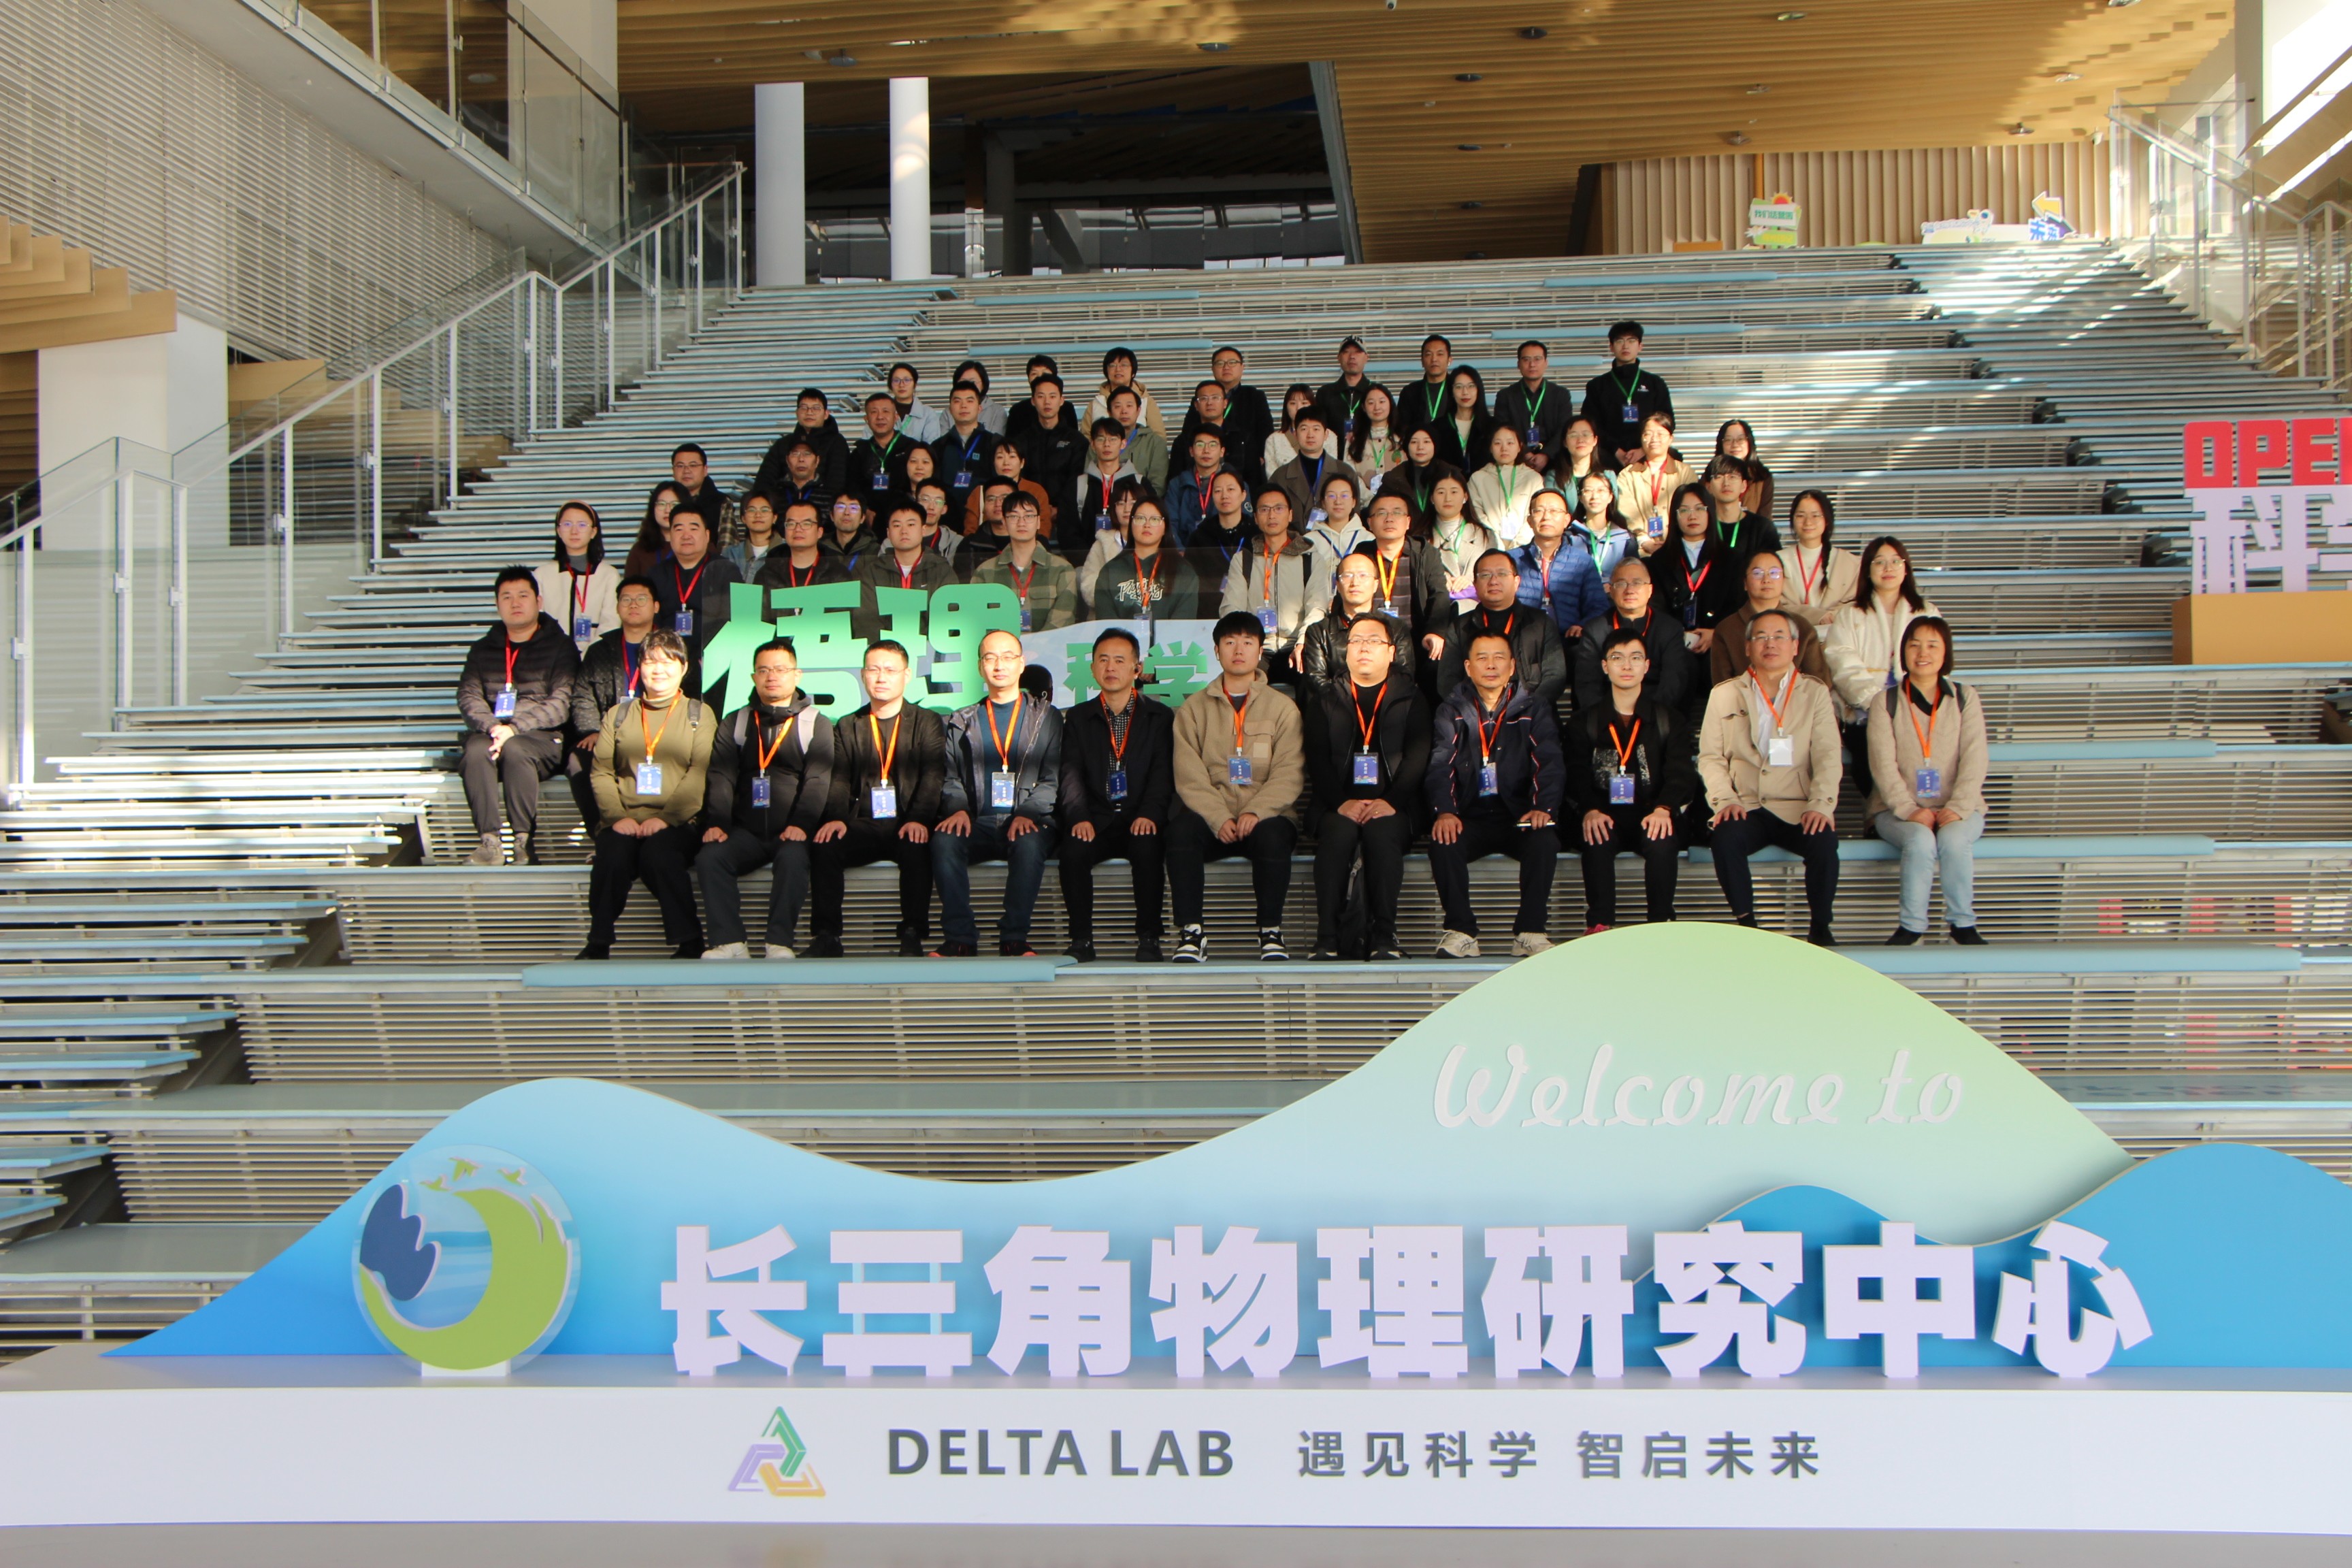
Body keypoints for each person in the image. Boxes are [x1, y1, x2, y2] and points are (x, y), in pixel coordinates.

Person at [1169, 612, 1305, 962]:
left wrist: (1256, 812)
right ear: (1217, 651)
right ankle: (1191, 932)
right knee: (1181, 831)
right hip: (1214, 819)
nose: (1239, 650)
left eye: (1247, 642)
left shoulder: (1283, 709)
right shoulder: (1193, 709)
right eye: (1230, 642)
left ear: (1260, 651)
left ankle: (1271, 931)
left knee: (1274, 835)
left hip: (1266, 816)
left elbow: (1289, 773)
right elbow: (1189, 776)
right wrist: (1218, 817)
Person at [1699, 608, 1842, 945]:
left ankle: (1821, 928)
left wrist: (1821, 804)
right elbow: (1711, 757)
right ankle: (1747, 924)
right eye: (1761, 637)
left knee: (1824, 841)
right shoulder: (1725, 693)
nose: (1770, 644)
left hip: (1797, 805)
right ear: (1748, 647)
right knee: (1725, 838)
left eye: (1779, 636)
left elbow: (1828, 756)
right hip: (1746, 804)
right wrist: (1725, 800)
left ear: (1795, 646)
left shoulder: (1815, 693)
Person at [1426, 627, 1564, 958]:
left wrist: (1542, 807)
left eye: (1499, 657)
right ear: (1468, 666)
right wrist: (1446, 811)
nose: (1491, 665)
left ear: (1512, 666)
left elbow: (1549, 760)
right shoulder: (1452, 710)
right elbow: (1441, 764)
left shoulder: (1533, 707)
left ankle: (1530, 932)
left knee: (1545, 839)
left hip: (1518, 815)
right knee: (1443, 840)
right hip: (1470, 816)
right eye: (1482, 658)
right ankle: (1461, 932)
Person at [576, 629, 713, 958]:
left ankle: (689, 940)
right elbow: (602, 771)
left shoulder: (698, 714)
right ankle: (598, 942)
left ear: (684, 668)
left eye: (668, 662)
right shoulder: (618, 715)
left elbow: (700, 771)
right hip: (625, 818)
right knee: (612, 855)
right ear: (640, 668)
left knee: (659, 856)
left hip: (678, 821)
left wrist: (666, 819)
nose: (659, 669)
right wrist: (616, 818)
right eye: (651, 661)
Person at [693, 636, 831, 960]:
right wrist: (718, 823)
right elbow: (721, 776)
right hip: (746, 832)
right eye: (764, 670)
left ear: (797, 675)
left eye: (780, 669)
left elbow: (818, 779)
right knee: (711, 857)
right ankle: (730, 942)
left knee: (793, 860)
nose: (772, 676)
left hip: (792, 832)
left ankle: (779, 943)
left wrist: (802, 824)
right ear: (754, 677)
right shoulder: (737, 721)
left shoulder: (815, 723)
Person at [1304, 612, 1431, 962]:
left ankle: (1384, 936)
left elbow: (1418, 757)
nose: (1364, 648)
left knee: (1381, 833)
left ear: (1391, 652)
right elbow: (1317, 759)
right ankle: (1327, 938)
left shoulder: (1411, 697)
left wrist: (1392, 801)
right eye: (1357, 641)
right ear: (1345, 651)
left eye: (1374, 641)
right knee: (1338, 835)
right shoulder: (1327, 698)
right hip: (1337, 804)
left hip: (1394, 805)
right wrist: (1341, 802)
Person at [809, 640, 947, 956]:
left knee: (917, 845)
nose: (881, 677)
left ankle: (912, 933)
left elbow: (933, 776)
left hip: (906, 821)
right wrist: (836, 818)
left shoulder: (926, 721)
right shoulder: (848, 725)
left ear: (906, 675)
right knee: (825, 844)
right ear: (863, 675)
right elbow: (839, 779)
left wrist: (919, 818)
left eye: (890, 670)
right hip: (864, 823)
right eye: (873, 670)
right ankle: (827, 936)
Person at [931, 630, 1063, 957]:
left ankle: (1014, 938)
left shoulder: (1046, 716)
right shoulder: (961, 720)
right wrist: (959, 809)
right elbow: (950, 777)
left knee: (1029, 843)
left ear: (1021, 664)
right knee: (944, 840)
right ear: (980, 667)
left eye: (1007, 657)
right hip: (978, 820)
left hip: (1028, 818)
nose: (999, 665)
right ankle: (960, 938)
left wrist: (1027, 813)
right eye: (990, 658)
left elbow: (1052, 779)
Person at [1867, 617, 1989, 947]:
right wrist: (1909, 810)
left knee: (1954, 839)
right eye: (1915, 645)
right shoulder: (1886, 702)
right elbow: (1882, 765)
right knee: (1920, 841)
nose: (1923, 653)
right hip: (1896, 811)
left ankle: (1963, 924)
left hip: (1959, 808)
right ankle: (1911, 928)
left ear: (1945, 652)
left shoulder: (1965, 698)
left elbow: (1975, 757)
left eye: (1933, 645)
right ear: (1903, 651)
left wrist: (1958, 807)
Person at [1058, 628, 1175, 962]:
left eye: (1120, 661)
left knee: (1148, 847)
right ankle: (1081, 939)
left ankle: (1149, 938)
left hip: (1140, 815)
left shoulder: (1158, 716)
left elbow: (1163, 773)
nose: (1110, 667)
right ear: (1093, 668)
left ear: (1137, 669)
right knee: (1073, 851)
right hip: (1096, 818)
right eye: (1103, 660)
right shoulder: (1078, 717)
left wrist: (1150, 813)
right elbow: (1070, 774)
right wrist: (1079, 816)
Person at [1569, 627, 1697, 933]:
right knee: (1596, 837)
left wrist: (1665, 808)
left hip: (1652, 811)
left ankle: (1660, 925)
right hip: (1604, 811)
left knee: (1662, 839)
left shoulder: (1668, 719)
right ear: (1605, 666)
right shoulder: (1585, 721)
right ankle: (1600, 924)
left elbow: (1681, 772)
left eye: (1635, 658)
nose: (1627, 666)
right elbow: (1575, 772)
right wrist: (1589, 810)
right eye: (1618, 658)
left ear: (1647, 666)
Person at [458, 567, 580, 866]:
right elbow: (469, 696)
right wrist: (494, 728)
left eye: (523, 596)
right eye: (507, 597)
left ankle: (523, 842)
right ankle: (490, 842)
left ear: (538, 601)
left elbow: (562, 701)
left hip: (541, 738)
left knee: (515, 749)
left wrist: (514, 728)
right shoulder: (483, 649)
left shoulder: (560, 646)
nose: (515, 603)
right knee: (475, 752)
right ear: (497, 604)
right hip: (492, 733)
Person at [1824, 535, 1940, 805]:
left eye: (1895, 561)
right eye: (1879, 562)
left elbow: (1939, 664)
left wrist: (1911, 706)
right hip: (1865, 715)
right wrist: (1879, 705)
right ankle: (1882, 815)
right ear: (1868, 570)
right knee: (1874, 764)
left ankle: (1923, 811)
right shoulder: (1850, 615)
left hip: (1917, 713)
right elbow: (1843, 665)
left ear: (1906, 568)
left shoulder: (1927, 613)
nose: (1888, 568)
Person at [570, 573, 664, 834]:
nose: (633, 605)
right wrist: (593, 731)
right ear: (618, 607)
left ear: (656, 606)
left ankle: (656, 832)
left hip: (659, 734)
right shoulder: (601, 650)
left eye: (641, 599)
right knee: (578, 760)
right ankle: (603, 834)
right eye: (626, 599)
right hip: (609, 736)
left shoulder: (672, 647)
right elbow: (583, 695)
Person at [1439, 549, 1567, 711]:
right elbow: (1447, 681)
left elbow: (1555, 676)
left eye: (1502, 574)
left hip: (1532, 714)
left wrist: (1526, 709)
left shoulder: (1541, 623)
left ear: (1516, 582)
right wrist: (1478, 711)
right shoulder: (1460, 627)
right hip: (1475, 715)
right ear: (1475, 585)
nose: (1494, 581)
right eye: (1485, 575)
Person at [1219, 486, 1328, 673]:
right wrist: (1246, 644)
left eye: (1279, 508)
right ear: (1255, 517)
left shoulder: (1310, 558)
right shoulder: (1244, 560)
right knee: (1245, 682)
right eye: (1264, 509)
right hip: (1256, 647)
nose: (1271, 515)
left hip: (1298, 644)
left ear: (1290, 515)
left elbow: (1317, 608)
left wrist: (1304, 641)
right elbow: (1232, 609)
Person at [1655, 482, 1743, 708]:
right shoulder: (1659, 561)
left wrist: (1716, 633)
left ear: (1710, 513)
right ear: (1675, 516)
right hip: (1675, 643)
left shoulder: (1731, 559)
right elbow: (1656, 608)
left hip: (1717, 640)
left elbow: (1737, 606)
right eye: (1684, 510)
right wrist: (1678, 635)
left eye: (1699, 509)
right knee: (1679, 666)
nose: (1692, 516)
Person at [1352, 491, 1455, 667]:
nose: (1389, 519)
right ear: (1370, 523)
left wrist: (1435, 631)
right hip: (1370, 640)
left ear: (1408, 522)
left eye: (1397, 513)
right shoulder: (1362, 555)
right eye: (1381, 513)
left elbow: (1439, 594)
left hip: (1415, 641)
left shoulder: (1424, 554)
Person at [1296, 551, 1418, 700]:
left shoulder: (1396, 628)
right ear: (1338, 585)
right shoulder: (1319, 632)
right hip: (1335, 707)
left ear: (1376, 585)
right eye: (1347, 576)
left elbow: (1403, 677)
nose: (1355, 582)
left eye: (1363, 575)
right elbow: (1318, 683)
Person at [1573, 557, 1686, 716]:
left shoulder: (1669, 629)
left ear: (1650, 590)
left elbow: (1672, 683)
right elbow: (1588, 685)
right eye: (1621, 584)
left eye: (1637, 583)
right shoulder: (1595, 630)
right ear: (1611, 591)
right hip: (1607, 714)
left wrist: (1648, 718)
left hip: (1656, 714)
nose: (1629, 590)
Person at [1711, 555, 1832, 686]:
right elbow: (1722, 686)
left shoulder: (1803, 627)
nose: (1766, 580)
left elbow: (1819, 683)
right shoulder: (1726, 629)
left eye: (1774, 573)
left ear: (1784, 581)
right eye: (1758, 573)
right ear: (1745, 583)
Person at [1513, 489, 1607, 647]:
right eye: (1539, 511)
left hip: (1570, 640)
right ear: (1529, 520)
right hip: (1523, 640)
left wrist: (1582, 626)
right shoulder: (1512, 560)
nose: (1546, 517)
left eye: (1554, 511)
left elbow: (1598, 607)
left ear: (1566, 520)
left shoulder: (1582, 561)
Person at [973, 492, 1078, 632]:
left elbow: (1063, 619)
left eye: (1029, 516)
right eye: (1014, 516)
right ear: (1004, 522)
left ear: (1038, 521)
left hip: (1049, 645)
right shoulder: (985, 571)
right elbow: (977, 620)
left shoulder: (1062, 569)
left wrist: (1037, 644)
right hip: (999, 646)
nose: (1021, 523)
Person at [1090, 496, 1200, 623]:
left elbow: (1182, 627)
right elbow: (1106, 624)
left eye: (1155, 519)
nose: (1147, 525)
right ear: (1131, 524)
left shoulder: (1184, 573)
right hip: (1119, 636)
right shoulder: (1111, 571)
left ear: (1166, 528)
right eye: (1140, 518)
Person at [651, 505, 739, 663]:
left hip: (713, 660)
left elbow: (735, 621)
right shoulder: (656, 574)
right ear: (670, 535)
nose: (686, 536)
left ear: (707, 535)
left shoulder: (726, 570)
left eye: (693, 529)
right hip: (666, 660)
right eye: (679, 529)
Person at [855, 501, 955, 634]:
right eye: (897, 525)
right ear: (888, 533)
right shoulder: (874, 571)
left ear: (923, 530)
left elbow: (949, 617)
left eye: (911, 524)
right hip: (884, 647)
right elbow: (866, 620)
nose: (904, 531)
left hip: (930, 646)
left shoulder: (941, 570)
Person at [1581, 321, 1673, 464]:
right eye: (1620, 341)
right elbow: (1591, 424)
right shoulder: (1597, 385)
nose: (1625, 346)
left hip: (1648, 451)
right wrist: (1616, 451)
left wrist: (1643, 450)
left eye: (1631, 341)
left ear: (1640, 346)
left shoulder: (1655, 383)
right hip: (1609, 454)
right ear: (1611, 347)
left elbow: (1667, 422)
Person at [535, 500, 619, 649]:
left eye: (582, 525)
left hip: (596, 656)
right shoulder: (542, 574)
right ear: (559, 531)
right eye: (567, 524)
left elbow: (610, 623)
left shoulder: (608, 575)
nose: (574, 531)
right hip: (552, 655)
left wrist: (590, 654)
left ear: (593, 532)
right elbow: (537, 621)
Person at [1490, 340, 1574, 476]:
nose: (1532, 364)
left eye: (1537, 359)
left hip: (1555, 463)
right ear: (1518, 364)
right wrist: (1525, 454)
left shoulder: (1561, 395)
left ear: (1546, 363)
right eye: (1526, 360)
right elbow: (1503, 430)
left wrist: (1546, 455)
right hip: (1516, 462)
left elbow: (1564, 429)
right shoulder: (1506, 396)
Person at [1778, 489, 1859, 625]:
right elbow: (1774, 604)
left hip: (1836, 632)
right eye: (1800, 516)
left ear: (1827, 520)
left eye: (1815, 515)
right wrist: (1817, 616)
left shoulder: (1849, 562)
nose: (1808, 522)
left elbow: (1856, 603)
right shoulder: (1777, 561)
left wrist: (1832, 616)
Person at [1014, 373, 1090, 517]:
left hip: (1067, 514)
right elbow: (1019, 478)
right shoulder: (1021, 441)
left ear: (1061, 400)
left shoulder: (1077, 441)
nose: (1047, 402)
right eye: (1041, 396)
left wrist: (1060, 510)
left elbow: (1077, 480)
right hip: (1027, 513)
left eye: (1053, 396)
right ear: (1033, 401)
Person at [1612, 412, 1695, 540]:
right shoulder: (1627, 475)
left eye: (1660, 434)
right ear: (1641, 438)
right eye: (1648, 434)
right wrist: (1643, 539)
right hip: (1641, 545)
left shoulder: (1685, 473)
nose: (1654, 439)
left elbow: (1690, 508)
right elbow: (1628, 511)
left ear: (1671, 438)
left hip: (1679, 543)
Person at [1269, 408, 1360, 525]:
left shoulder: (1345, 472)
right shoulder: (1280, 476)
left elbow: (1354, 517)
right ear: (1295, 434)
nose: (1310, 435)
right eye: (1304, 429)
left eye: (1316, 429)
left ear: (1326, 435)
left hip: (1335, 535)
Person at [755, 389, 850, 500]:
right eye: (804, 408)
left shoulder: (837, 442)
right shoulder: (783, 444)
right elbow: (764, 481)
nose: (809, 412)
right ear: (797, 413)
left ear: (826, 414)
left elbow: (838, 483)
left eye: (816, 408)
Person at [928, 382, 999, 524]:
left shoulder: (994, 443)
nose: (963, 406)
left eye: (970, 401)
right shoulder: (938, 446)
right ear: (950, 409)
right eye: (957, 401)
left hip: (984, 520)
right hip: (947, 520)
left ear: (979, 408)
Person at [1070, 416, 1144, 554]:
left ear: (1123, 444)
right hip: (1088, 561)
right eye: (1101, 439)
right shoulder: (1078, 485)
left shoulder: (1140, 483)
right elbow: (1068, 531)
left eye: (1113, 439)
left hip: (1131, 560)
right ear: (1092, 444)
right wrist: (1090, 560)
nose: (1107, 444)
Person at [1205, 345, 1275, 484]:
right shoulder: (1204, 397)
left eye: (1232, 362)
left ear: (1242, 367)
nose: (1226, 367)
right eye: (1220, 363)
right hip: (1210, 463)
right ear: (1213, 369)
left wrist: (1261, 457)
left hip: (1248, 467)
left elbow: (1266, 430)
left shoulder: (1255, 396)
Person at [1428, 474, 1500, 605]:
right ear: (1432, 498)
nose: (1448, 498)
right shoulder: (1421, 539)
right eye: (1441, 492)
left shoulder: (1485, 535)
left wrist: (1472, 580)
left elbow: (1496, 574)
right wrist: (1438, 578)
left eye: (1454, 492)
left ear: (1465, 497)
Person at [1464, 427, 1541, 548]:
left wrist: (1519, 547)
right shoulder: (1478, 478)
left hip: (1525, 547)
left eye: (1510, 443)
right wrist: (1496, 544)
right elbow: (1477, 515)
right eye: (1497, 443)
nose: (1504, 448)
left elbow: (1536, 513)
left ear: (1520, 447)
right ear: (1490, 447)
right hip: (1488, 546)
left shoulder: (1533, 478)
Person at [755, 500, 851, 591]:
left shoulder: (838, 574)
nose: (798, 529)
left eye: (806, 524)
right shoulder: (766, 574)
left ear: (819, 532)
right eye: (791, 524)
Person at [1703, 453, 1779, 565]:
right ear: (1708, 487)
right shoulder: (1701, 526)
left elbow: (1773, 567)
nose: (1726, 483)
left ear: (1744, 486)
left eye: (1732, 477)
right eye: (1719, 477)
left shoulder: (1762, 527)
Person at [1164, 424, 1234, 544]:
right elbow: (1170, 524)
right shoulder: (1176, 485)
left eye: (1213, 445)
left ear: (1222, 452)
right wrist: (1180, 552)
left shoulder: (1235, 485)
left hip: (1223, 552)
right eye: (1200, 445)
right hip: (1183, 552)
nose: (1206, 450)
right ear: (1191, 451)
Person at [1571, 470, 1641, 583]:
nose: (1595, 496)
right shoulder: (1570, 537)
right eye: (1588, 491)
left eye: (1601, 491)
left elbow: (1633, 576)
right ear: (1580, 498)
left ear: (1610, 497)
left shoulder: (1625, 539)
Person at [1088, 346, 1167, 440]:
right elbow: (1086, 438)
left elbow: (1159, 438)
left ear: (1133, 372)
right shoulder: (1096, 403)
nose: (1118, 369)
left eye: (1124, 365)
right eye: (1112, 365)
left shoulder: (1147, 402)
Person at [1383, 427, 1461, 521]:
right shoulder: (1393, 478)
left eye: (1427, 442)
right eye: (1414, 442)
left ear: (1435, 445)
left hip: (1442, 527)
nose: (1420, 447)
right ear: (1407, 446)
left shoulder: (1450, 474)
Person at [1431, 365, 1498, 475]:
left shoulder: (1493, 426)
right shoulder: (1438, 427)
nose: (1465, 392)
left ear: (1478, 390)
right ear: (1451, 391)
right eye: (1459, 387)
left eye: (1471, 386)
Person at [1303, 470, 1371, 576]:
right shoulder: (1309, 541)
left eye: (1344, 496)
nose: (1338, 502)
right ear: (1323, 503)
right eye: (1331, 496)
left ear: (1354, 502)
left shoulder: (1368, 539)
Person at [1105, 384, 1169, 494]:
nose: (1124, 411)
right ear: (1109, 412)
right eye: (1118, 406)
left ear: (1139, 410)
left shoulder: (1155, 443)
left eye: (1129, 406)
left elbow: (1158, 486)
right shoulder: (1100, 442)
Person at [849, 392, 915, 498]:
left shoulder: (912, 448)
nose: (880, 417)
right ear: (866, 419)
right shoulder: (859, 453)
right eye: (874, 412)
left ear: (896, 417)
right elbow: (852, 489)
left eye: (886, 411)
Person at [1314, 333, 1375, 444]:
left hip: (1371, 454)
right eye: (1346, 352)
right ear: (1338, 357)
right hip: (1334, 454)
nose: (1352, 356)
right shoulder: (1325, 393)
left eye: (1357, 352)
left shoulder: (1376, 392)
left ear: (1367, 357)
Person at [1715, 419, 1775, 525]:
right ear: (1721, 444)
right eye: (1728, 440)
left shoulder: (1763, 477)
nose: (1735, 445)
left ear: (1749, 442)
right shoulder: (1711, 475)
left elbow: (1765, 519)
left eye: (1741, 439)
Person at [762, 434, 834, 523]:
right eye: (795, 454)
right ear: (787, 460)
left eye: (807, 454)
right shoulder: (774, 494)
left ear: (817, 460)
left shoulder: (830, 495)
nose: (801, 459)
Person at [623, 480, 687, 578]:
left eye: (674, 504)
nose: (667, 510)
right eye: (662, 504)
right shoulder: (640, 550)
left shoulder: (698, 545)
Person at [667, 443, 734, 532]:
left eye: (693, 465)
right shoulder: (664, 502)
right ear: (673, 471)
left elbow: (727, 539)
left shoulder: (722, 502)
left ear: (705, 470)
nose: (686, 471)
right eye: (680, 466)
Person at [1193, 469, 1256, 561]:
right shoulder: (1201, 536)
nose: (1224, 496)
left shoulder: (1256, 533)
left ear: (1243, 495)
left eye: (1230, 489)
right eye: (1218, 491)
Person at [723, 489, 785, 580]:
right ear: (743, 518)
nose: (758, 515)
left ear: (774, 518)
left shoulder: (788, 551)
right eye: (751, 510)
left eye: (765, 510)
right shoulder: (731, 553)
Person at [1348, 384, 1403, 480]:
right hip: (1361, 490)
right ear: (1364, 407)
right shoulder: (1353, 439)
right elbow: (1349, 473)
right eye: (1371, 403)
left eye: (1382, 402)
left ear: (1390, 404)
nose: (1377, 407)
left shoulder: (1402, 437)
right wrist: (1365, 491)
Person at [1264, 383, 1317, 475]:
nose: (1298, 408)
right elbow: (1272, 477)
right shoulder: (1273, 440)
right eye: (1293, 403)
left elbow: (1330, 473)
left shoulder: (1328, 436)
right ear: (1286, 407)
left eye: (1304, 403)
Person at [1554, 414, 1616, 491]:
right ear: (1565, 443)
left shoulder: (1608, 476)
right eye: (1573, 435)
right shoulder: (1555, 477)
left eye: (1586, 435)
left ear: (1595, 440)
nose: (1580, 440)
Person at [887, 361, 943, 444]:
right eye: (896, 380)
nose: (901, 385)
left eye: (907, 380)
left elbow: (932, 446)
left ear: (915, 384)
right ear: (890, 385)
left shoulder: (928, 414)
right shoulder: (881, 413)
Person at [822, 493, 879, 564]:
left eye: (853, 508)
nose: (847, 513)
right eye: (841, 507)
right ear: (832, 516)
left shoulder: (875, 551)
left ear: (862, 518)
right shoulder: (819, 548)